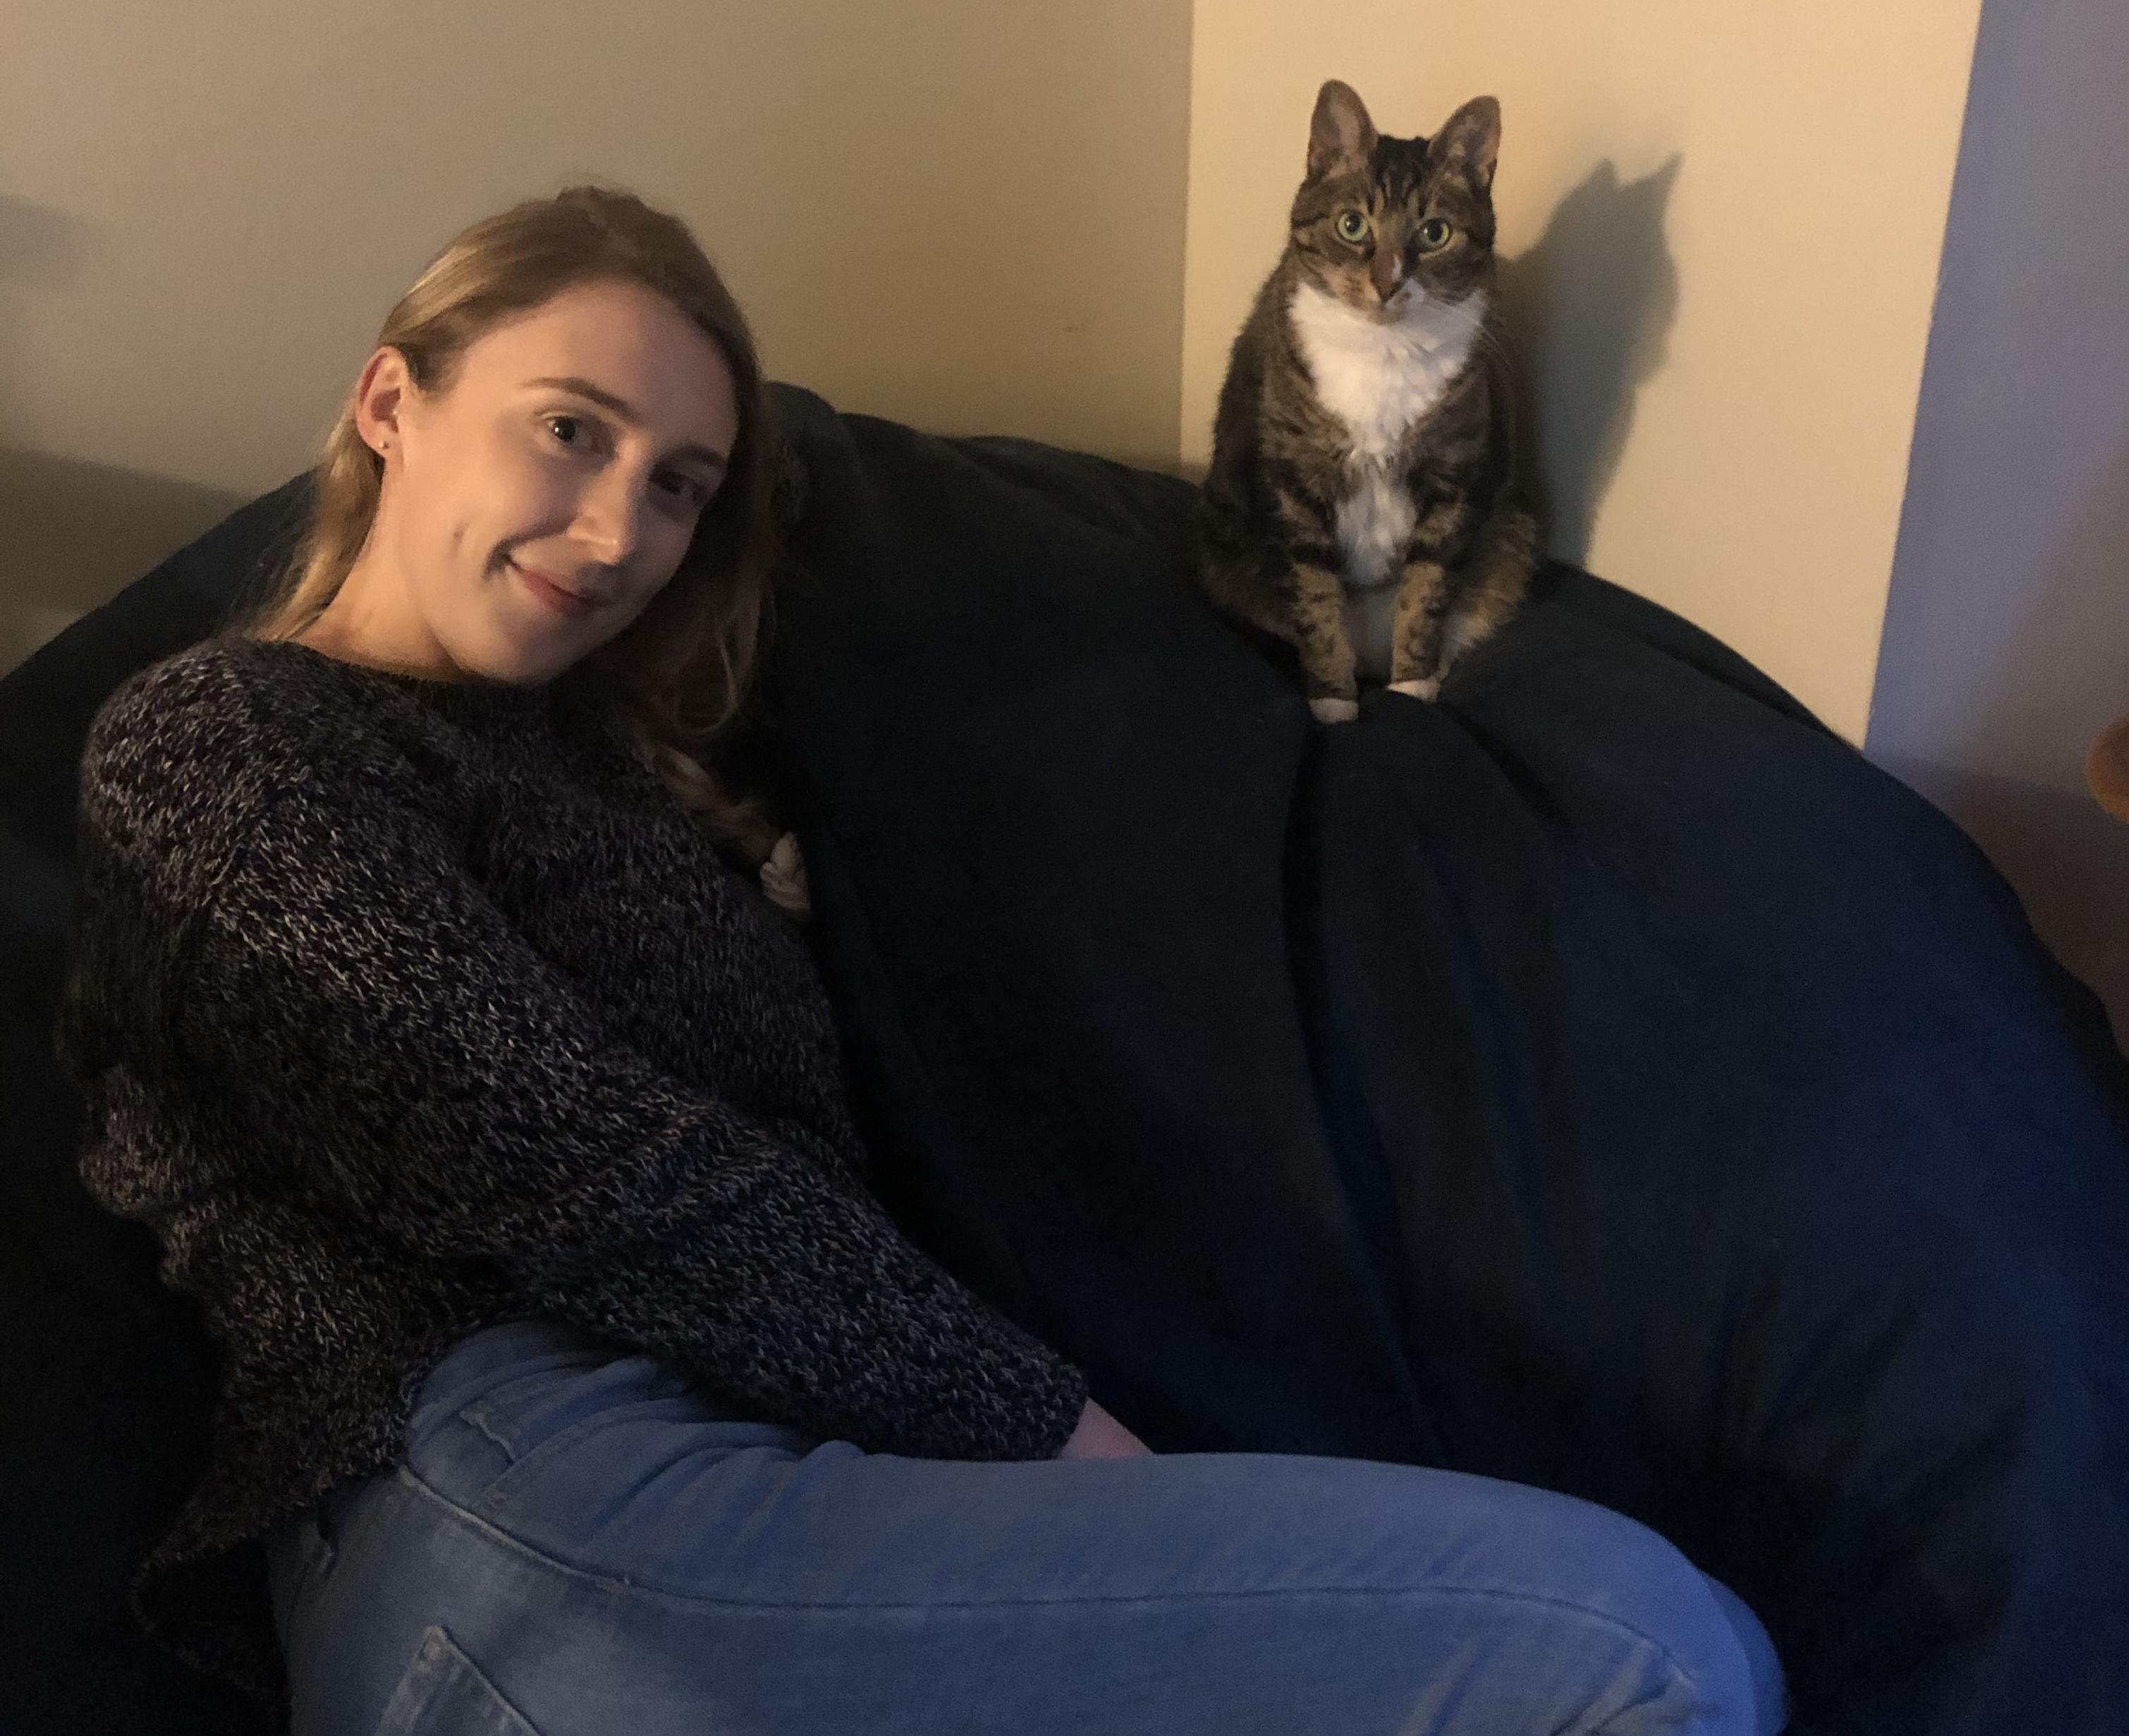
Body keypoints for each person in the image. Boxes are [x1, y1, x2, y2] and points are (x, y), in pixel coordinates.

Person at [56, 184, 1791, 1735]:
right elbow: (563, 1152)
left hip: (760, 1478)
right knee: (1633, 1650)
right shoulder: (222, 735)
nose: (614, 533)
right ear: (391, 403)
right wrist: (1062, 1441)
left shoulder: (625, 783)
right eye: (569, 430)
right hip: (512, 1502)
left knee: (1703, 1630)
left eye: (678, 488)